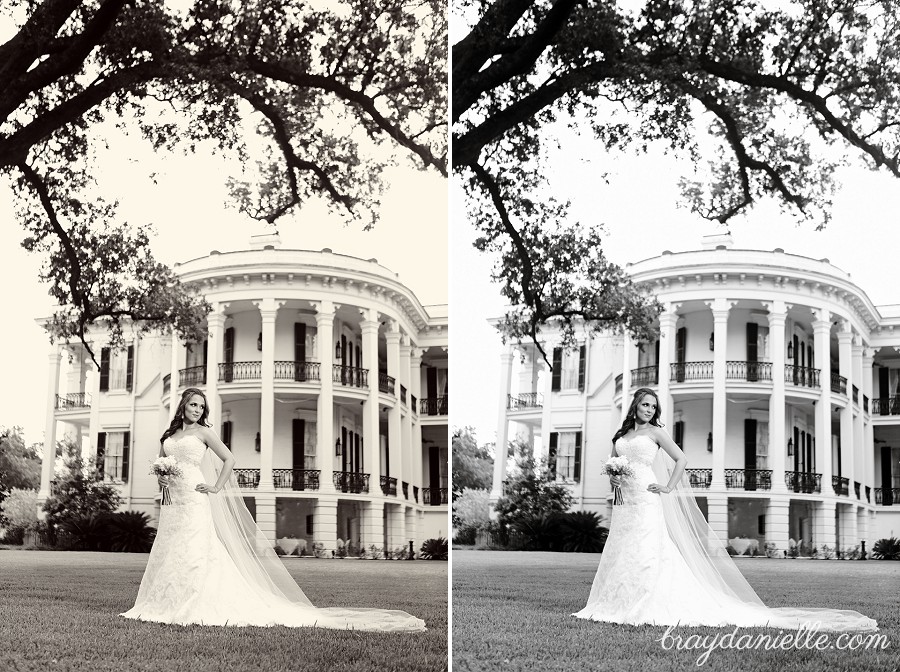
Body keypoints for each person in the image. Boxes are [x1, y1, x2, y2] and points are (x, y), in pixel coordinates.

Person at [572, 387, 876, 632]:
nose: (649, 410)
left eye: (653, 406)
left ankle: (644, 602)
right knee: (622, 547)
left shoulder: (657, 432)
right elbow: (614, 464)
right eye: (645, 405)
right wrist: (614, 477)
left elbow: (681, 459)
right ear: (635, 405)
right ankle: (614, 601)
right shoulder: (621, 436)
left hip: (648, 496)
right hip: (625, 499)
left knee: (647, 547)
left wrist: (667, 488)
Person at [120, 388, 425, 631]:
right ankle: (162, 601)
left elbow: (229, 459)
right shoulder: (168, 436)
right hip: (173, 498)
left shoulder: (204, 433)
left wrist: (215, 488)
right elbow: (163, 465)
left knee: (195, 547)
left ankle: (192, 601)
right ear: (183, 406)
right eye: (193, 405)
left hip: (197, 495)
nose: (197, 410)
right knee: (170, 547)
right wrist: (162, 477)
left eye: (201, 406)